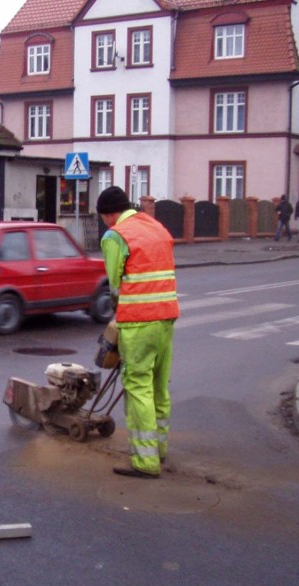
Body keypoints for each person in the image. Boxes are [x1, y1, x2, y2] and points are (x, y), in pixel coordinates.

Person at [97, 186, 180, 478]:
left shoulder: (115, 235)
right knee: (159, 386)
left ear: (109, 214)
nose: (105, 223)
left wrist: (118, 316)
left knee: (138, 387)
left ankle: (145, 462)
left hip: (138, 321)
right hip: (167, 318)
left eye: (104, 217)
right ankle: (158, 449)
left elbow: (115, 285)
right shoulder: (156, 226)